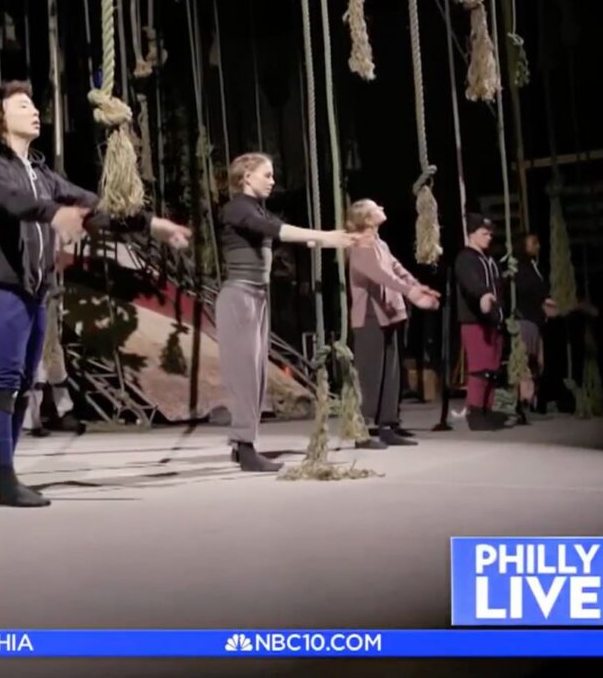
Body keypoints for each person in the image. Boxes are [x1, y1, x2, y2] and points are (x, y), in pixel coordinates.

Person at [0, 80, 190, 507]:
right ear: (1, 116)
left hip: (35, 291)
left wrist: (151, 225)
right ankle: (6, 475)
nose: (34, 111)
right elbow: (13, 203)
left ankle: (4, 472)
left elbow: (95, 208)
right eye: (23, 105)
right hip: (2, 288)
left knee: (21, 385)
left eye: (34, 104)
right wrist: (56, 213)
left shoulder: (43, 174)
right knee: (5, 383)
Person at [215, 153, 367, 472]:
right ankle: (245, 447)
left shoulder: (256, 209)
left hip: (256, 296)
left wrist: (321, 241)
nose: (272, 180)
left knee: (255, 373)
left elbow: (274, 230)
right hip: (239, 297)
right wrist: (325, 237)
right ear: (246, 177)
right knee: (244, 375)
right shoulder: (238, 208)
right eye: (266, 175)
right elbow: (276, 230)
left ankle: (243, 444)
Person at [346, 199, 440, 448]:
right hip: (369, 316)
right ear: (366, 219)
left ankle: (387, 425)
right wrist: (410, 292)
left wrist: (418, 287)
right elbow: (380, 275)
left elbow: (396, 269)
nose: (383, 208)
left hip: (388, 314)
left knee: (390, 371)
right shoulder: (359, 246)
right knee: (370, 374)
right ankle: (362, 430)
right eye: (377, 207)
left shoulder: (381, 244)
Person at [453, 213, 507, 430]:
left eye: (490, 234)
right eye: (484, 234)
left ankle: (487, 409)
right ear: (472, 234)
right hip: (474, 320)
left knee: (493, 368)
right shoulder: (466, 258)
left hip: (493, 320)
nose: (489, 237)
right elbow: (471, 282)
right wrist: (483, 295)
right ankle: (475, 412)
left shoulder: (489, 260)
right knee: (480, 367)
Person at [509, 233, 558, 424]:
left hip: (535, 321)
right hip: (525, 320)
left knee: (537, 364)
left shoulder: (532, 267)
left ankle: (532, 401)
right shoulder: (520, 269)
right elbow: (534, 292)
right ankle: (524, 403)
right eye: (534, 243)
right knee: (525, 364)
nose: (538, 246)